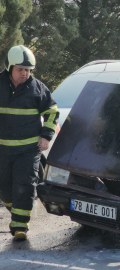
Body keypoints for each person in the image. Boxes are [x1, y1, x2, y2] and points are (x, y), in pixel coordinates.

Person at [0, 45, 59, 241]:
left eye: (28, 70)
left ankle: (20, 228)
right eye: (20, 69)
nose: (25, 73)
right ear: (9, 67)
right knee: (4, 188)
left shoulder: (38, 89)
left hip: (28, 150)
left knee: (25, 186)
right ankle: (14, 208)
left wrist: (46, 136)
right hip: (3, 150)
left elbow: (51, 112)